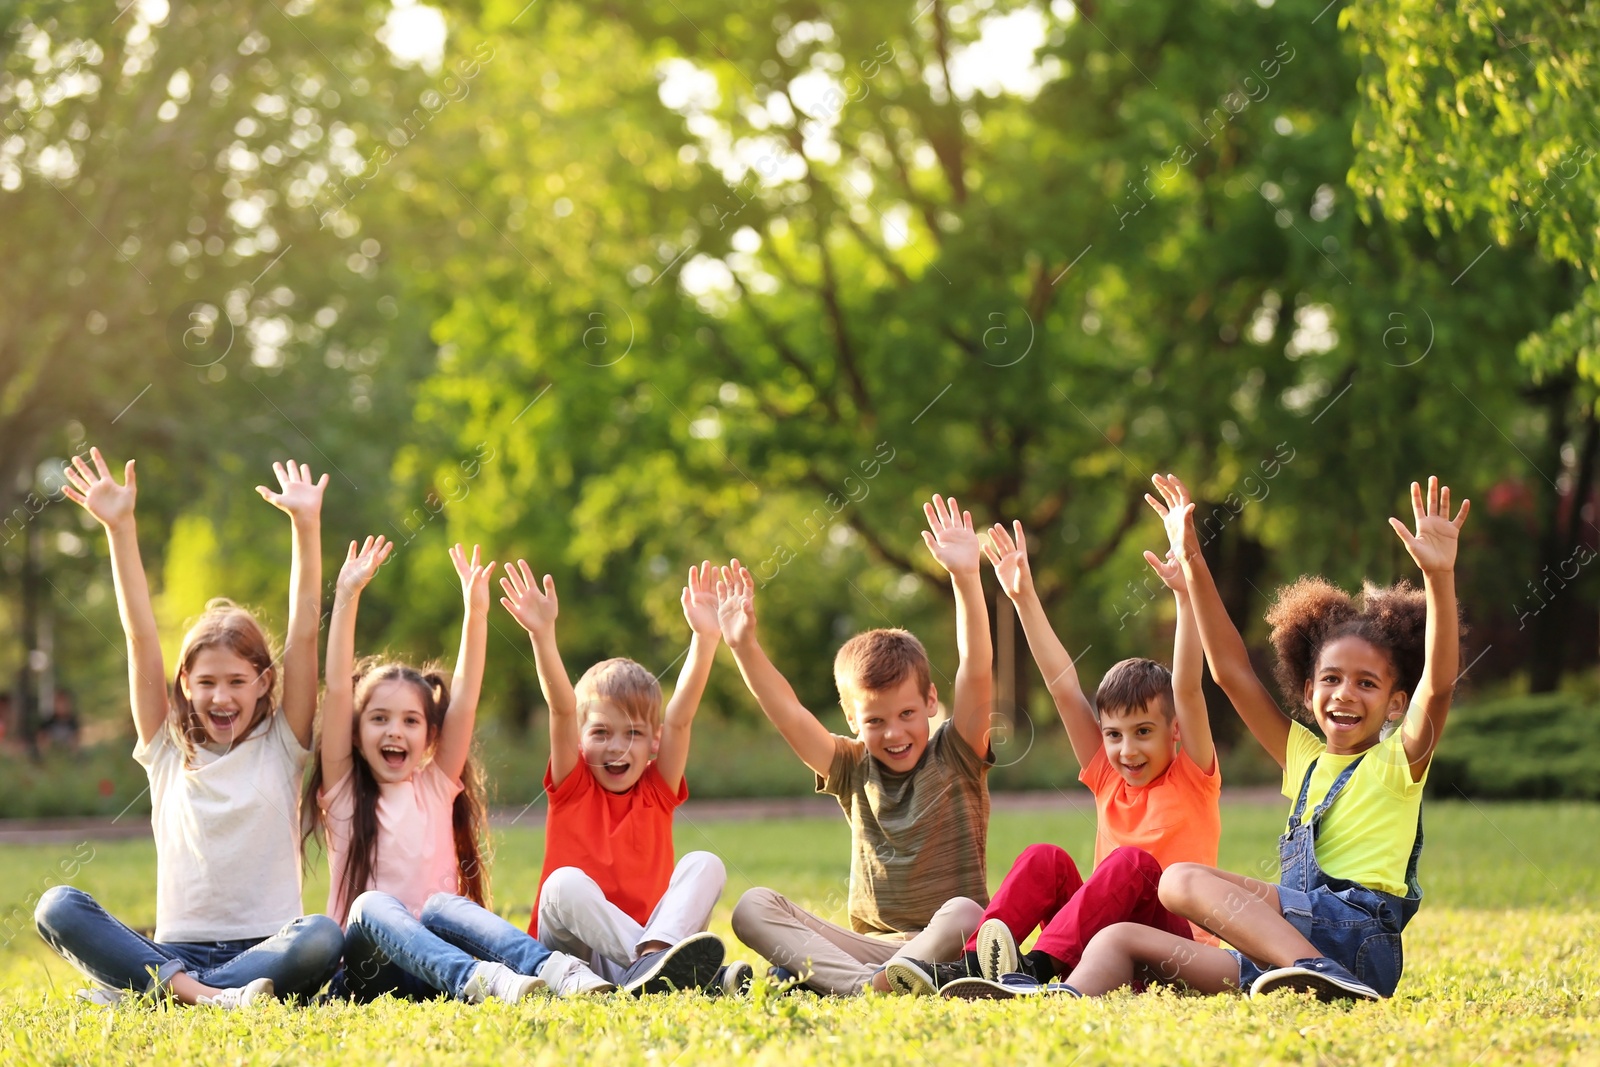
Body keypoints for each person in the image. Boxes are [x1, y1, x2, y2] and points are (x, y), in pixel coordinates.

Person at [1060, 474, 1468, 1002]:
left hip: (1356, 941)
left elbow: (1437, 686)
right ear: (1307, 688)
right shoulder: (1304, 757)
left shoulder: (1399, 760)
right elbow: (1230, 672)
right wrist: (1192, 559)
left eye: (1366, 683)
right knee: (1123, 937)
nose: (1344, 694)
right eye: (1331, 679)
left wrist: (1439, 577)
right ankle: (1060, 998)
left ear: (1396, 703)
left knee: (1181, 879)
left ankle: (1320, 971)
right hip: (1282, 949)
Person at [35, 453, 343, 1008]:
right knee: (56, 906)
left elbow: (303, 635)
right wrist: (120, 529)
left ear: (263, 682)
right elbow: (140, 639)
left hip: (268, 946)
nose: (221, 697)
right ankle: (202, 992)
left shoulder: (282, 743)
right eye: (206, 682)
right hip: (177, 946)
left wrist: (306, 526)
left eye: (236, 681)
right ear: (184, 682)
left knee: (322, 936)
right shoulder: (165, 748)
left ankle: (161, 994)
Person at [907, 514, 1220, 998]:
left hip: (1172, 949)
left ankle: (1036, 969)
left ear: (1174, 731)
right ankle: (973, 964)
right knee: (1044, 859)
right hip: (1098, 942)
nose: (1126, 750)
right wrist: (1023, 597)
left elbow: (1189, 689)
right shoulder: (1109, 776)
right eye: (1113, 735)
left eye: (1143, 732)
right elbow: (1063, 686)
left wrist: (1183, 597)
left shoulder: (1193, 776)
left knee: (1132, 864)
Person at [308, 539, 609, 1002]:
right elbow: (335, 692)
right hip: (369, 973)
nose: (395, 731)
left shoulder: (434, 786)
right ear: (354, 732)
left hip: (435, 973)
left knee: (444, 905)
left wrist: (475, 610)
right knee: (371, 906)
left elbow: (465, 696)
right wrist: (347, 596)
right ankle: (481, 981)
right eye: (379, 718)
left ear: (431, 737)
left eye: (410, 721)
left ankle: (555, 971)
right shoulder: (344, 792)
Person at [724, 495, 994, 996]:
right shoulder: (851, 766)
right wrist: (744, 645)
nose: (894, 733)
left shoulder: (956, 752)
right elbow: (788, 714)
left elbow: (976, 668)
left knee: (967, 912)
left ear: (931, 701)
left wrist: (965, 578)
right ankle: (868, 986)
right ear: (852, 719)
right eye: (875, 720)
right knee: (752, 906)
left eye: (907, 714)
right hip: (868, 948)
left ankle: (844, 983)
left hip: (946, 946)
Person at [501, 558, 730, 994]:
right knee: (563, 883)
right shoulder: (573, 786)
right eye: (601, 732)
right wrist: (541, 634)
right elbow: (562, 706)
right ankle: (673, 970)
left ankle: (653, 961)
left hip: (638, 949)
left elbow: (680, 719)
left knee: (707, 864)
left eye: (634, 734)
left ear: (654, 745)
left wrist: (705, 639)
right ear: (580, 740)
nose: (618, 746)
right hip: (569, 956)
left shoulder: (656, 792)